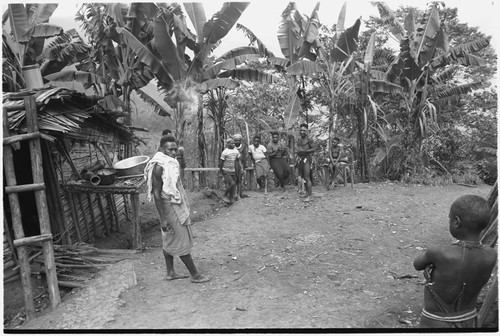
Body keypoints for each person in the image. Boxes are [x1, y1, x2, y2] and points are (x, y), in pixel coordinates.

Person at [413, 195, 496, 328]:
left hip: (435, 323)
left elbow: (417, 264)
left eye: (449, 219)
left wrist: (432, 264)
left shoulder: (438, 253)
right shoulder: (491, 255)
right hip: (470, 321)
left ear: (456, 222)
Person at [144, 135, 210, 283]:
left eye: (175, 149)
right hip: (168, 206)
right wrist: (162, 218)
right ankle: (195, 275)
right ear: (162, 149)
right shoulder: (159, 166)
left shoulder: (170, 163)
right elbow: (156, 194)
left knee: (168, 238)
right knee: (180, 239)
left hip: (173, 203)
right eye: (170, 149)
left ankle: (170, 272)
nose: (174, 152)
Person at [295, 123, 316, 202]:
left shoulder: (309, 139)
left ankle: (310, 196)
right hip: (301, 159)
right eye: (301, 130)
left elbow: (313, 149)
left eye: (304, 130)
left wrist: (305, 151)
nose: (302, 132)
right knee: (303, 177)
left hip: (307, 158)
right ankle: (307, 193)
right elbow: (299, 149)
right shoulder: (299, 140)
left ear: (307, 131)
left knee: (307, 178)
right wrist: (299, 152)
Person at [219, 138, 240, 204]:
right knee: (232, 183)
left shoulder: (236, 151)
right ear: (227, 144)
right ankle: (224, 195)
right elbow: (221, 162)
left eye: (234, 143)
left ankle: (231, 198)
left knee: (233, 185)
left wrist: (240, 168)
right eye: (231, 143)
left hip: (233, 170)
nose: (233, 144)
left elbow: (238, 160)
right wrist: (220, 171)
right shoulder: (225, 152)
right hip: (226, 171)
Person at [233, 133, 249, 199]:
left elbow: (245, 156)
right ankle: (234, 194)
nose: (237, 142)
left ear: (240, 141)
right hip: (232, 165)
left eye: (238, 140)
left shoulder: (243, 147)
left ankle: (239, 194)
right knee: (233, 180)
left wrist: (245, 165)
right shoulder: (231, 146)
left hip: (240, 166)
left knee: (239, 180)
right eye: (235, 140)